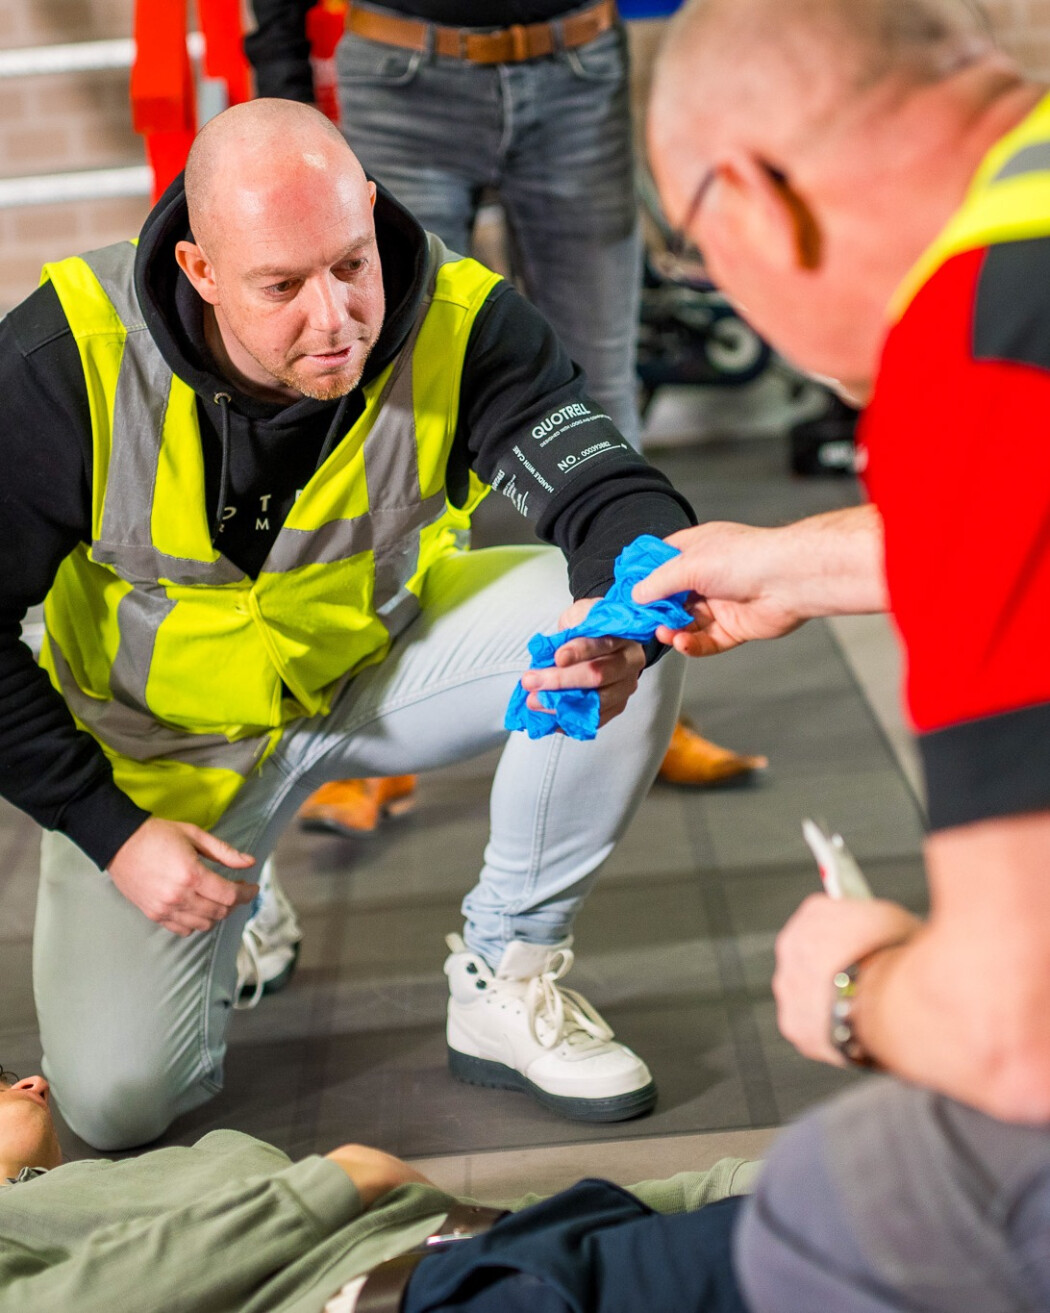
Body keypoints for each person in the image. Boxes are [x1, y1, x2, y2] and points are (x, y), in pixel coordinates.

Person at [0, 96, 699, 1150]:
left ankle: (505, 969)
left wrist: (622, 634)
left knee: (638, 603)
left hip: (376, 665)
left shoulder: (464, 320)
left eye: (349, 265)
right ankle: (246, 884)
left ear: (370, 212)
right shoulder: (62, 360)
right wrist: (111, 830)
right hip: (161, 752)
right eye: (281, 287)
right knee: (115, 1105)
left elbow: (613, 492)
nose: (333, 319)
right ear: (200, 270)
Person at [633, 0, 1050, 1307]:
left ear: (753, 202)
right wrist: (788, 565)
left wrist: (859, 986)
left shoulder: (979, 341)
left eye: (698, 252)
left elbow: (1018, 1033)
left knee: (836, 1196)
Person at [243, 0, 769, 843]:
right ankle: (369, 739)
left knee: (605, 398)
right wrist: (287, 100)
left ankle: (643, 690)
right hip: (403, 72)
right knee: (384, 405)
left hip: (578, 65)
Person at [0, 1065, 757, 1312]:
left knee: (797, 1220)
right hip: (421, 1295)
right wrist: (334, 1181)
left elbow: (473, 1222)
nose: (31, 1081)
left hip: (494, 1257)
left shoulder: (198, 1159)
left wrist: (713, 1188)